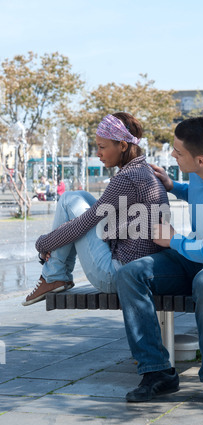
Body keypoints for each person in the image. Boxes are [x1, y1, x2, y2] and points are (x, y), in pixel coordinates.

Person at [115, 116, 203, 408]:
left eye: (178, 152)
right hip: (194, 256)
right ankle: (157, 372)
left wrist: (174, 239)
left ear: (201, 159)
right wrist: (173, 186)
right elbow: (198, 193)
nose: (172, 155)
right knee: (130, 274)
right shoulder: (200, 172)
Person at [22, 112, 169, 306]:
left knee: (69, 200)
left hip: (119, 276)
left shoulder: (126, 179)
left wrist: (43, 244)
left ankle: (53, 276)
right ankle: (55, 275)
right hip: (142, 270)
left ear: (123, 146)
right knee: (79, 197)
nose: (97, 153)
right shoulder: (143, 171)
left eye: (102, 147)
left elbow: (83, 224)